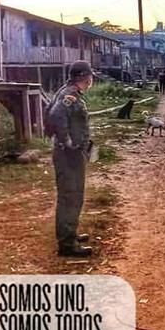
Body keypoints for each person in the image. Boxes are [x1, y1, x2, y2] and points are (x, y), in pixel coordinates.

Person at [48, 60, 94, 257]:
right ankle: (67, 243)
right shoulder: (70, 95)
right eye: (90, 76)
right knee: (71, 196)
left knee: (73, 195)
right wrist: (67, 141)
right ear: (84, 77)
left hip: (71, 153)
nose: (91, 80)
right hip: (69, 155)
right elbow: (55, 115)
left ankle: (69, 233)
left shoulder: (68, 91)